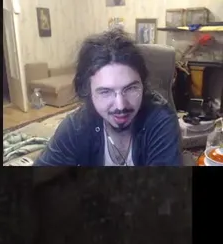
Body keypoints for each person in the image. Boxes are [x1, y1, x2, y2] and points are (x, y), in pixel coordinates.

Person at [34, 28, 181, 166]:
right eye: (105, 92)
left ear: (143, 85)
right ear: (88, 92)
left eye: (130, 88)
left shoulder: (160, 120)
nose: (120, 105)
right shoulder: (77, 126)